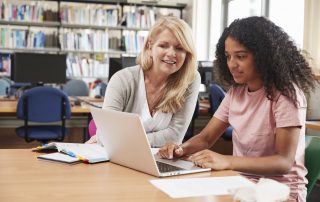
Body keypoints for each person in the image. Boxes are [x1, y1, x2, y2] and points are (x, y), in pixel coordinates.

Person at [158, 16, 318, 202]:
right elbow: (206, 137)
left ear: (264, 56)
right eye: (228, 56)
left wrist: (227, 160)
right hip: (240, 185)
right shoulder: (236, 93)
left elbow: (283, 162)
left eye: (241, 56)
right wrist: (180, 149)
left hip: (281, 192)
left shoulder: (287, 96)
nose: (232, 64)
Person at [87, 16, 200, 147]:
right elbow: (108, 135)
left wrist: (124, 140)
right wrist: (110, 139)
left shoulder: (190, 79)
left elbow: (175, 136)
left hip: (161, 160)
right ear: (149, 46)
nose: (171, 53)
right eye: (163, 46)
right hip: (120, 157)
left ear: (187, 53)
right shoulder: (122, 80)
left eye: (179, 48)